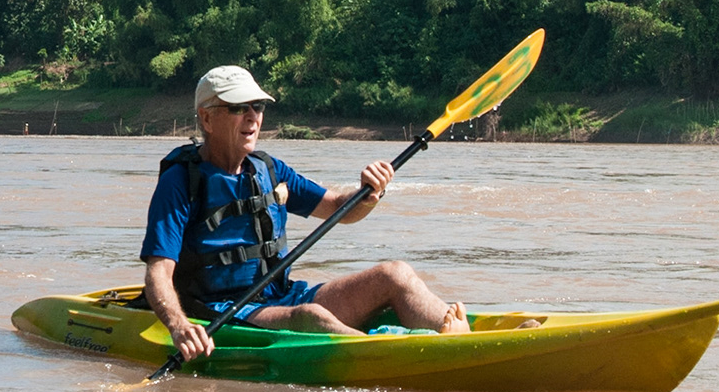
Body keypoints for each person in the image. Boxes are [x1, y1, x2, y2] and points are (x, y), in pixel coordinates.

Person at [141, 65, 482, 363]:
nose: (253, 116)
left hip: (282, 296)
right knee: (311, 317)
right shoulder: (180, 181)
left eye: (257, 106)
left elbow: (338, 208)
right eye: (238, 108)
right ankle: (407, 354)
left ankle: (460, 340)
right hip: (221, 309)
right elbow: (158, 272)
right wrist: (178, 324)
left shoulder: (269, 169)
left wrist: (368, 193)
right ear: (206, 118)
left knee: (395, 274)